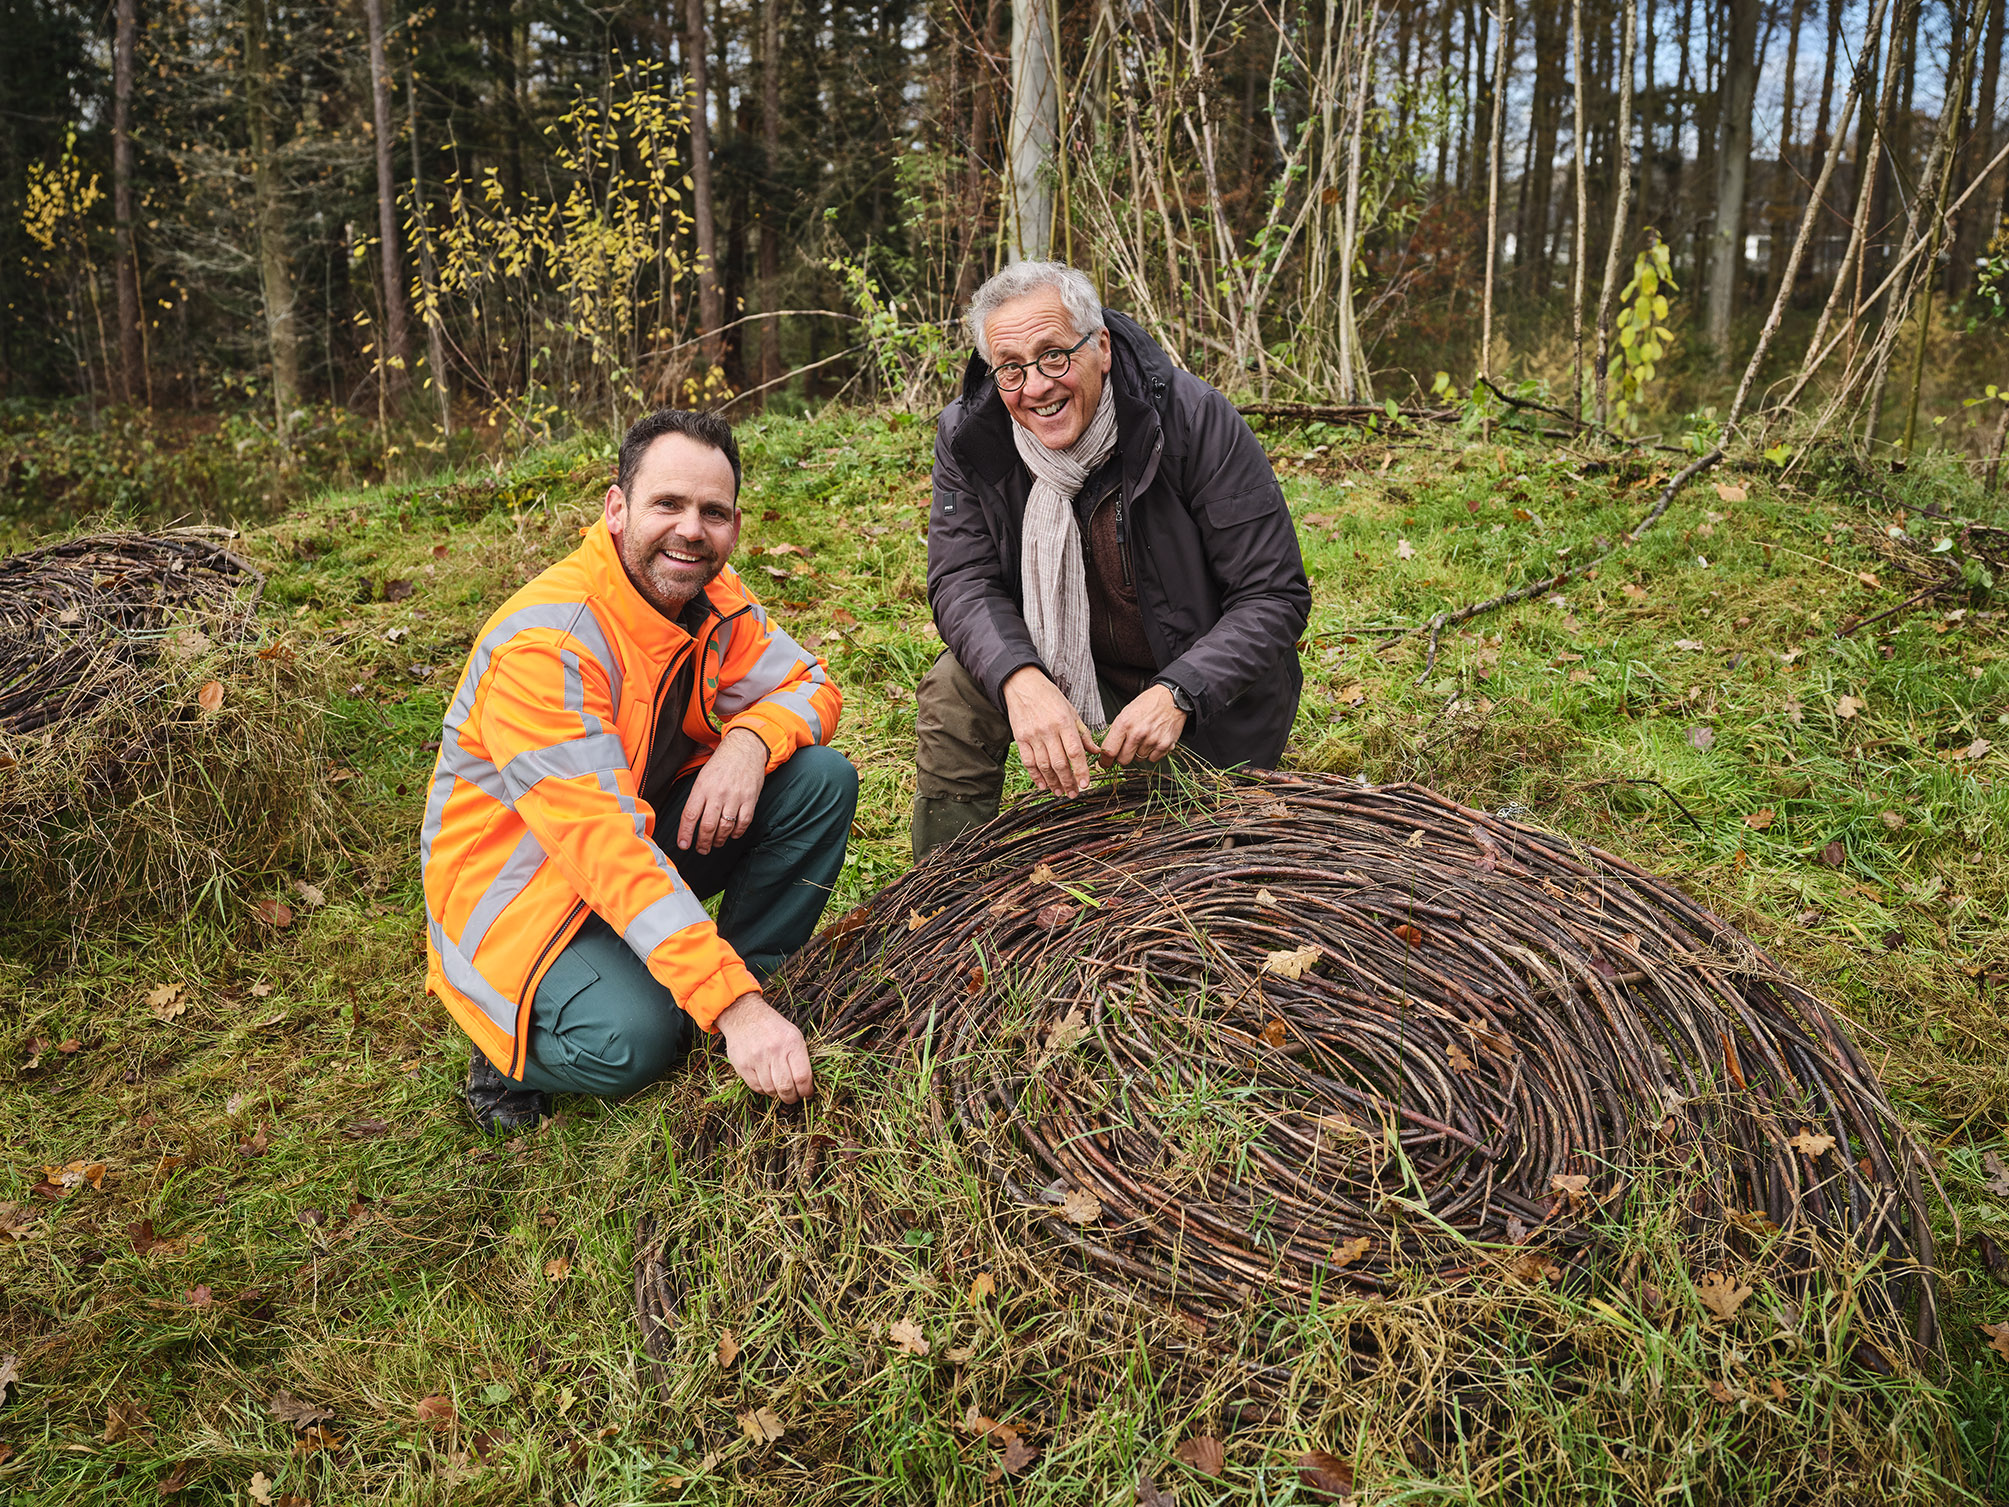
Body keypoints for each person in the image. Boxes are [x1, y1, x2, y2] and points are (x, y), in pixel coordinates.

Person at [421, 408, 856, 1132]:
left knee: (817, 780)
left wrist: (748, 743)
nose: (691, 529)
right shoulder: (549, 644)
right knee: (638, 1043)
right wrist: (730, 1006)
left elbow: (812, 686)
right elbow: (603, 849)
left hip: (635, 839)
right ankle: (503, 1050)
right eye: (668, 504)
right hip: (523, 899)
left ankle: (749, 996)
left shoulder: (707, 593)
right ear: (616, 509)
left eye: (713, 512)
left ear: (735, 526)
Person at [915, 262, 1311, 857]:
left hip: (1195, 688)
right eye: (1012, 368)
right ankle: (945, 891)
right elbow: (960, 580)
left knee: (1159, 868)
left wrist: (1180, 692)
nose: (1036, 387)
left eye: (1054, 356)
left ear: (1100, 345)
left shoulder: (1191, 420)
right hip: (1060, 662)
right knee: (954, 686)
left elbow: (1273, 595)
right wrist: (1021, 679)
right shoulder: (972, 435)